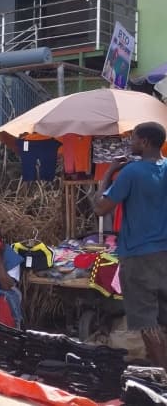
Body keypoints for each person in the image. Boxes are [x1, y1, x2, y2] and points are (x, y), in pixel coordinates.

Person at [94, 122, 167, 369]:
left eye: (134, 139)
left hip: (139, 257)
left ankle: (165, 381)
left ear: (145, 142)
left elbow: (101, 207)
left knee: (147, 322)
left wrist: (109, 172)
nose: (131, 144)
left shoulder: (132, 172)